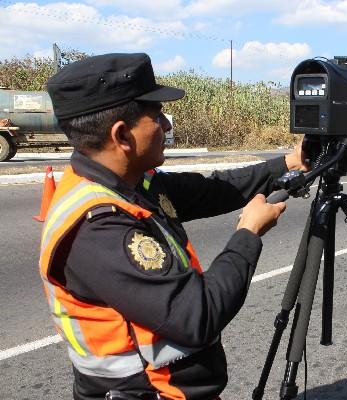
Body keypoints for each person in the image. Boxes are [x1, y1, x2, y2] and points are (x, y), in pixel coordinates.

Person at [39, 52, 308, 400]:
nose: (166, 125)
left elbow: (213, 190)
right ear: (122, 136)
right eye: (156, 115)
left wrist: (289, 162)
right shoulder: (99, 228)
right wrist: (248, 234)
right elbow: (196, 316)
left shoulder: (130, 181)